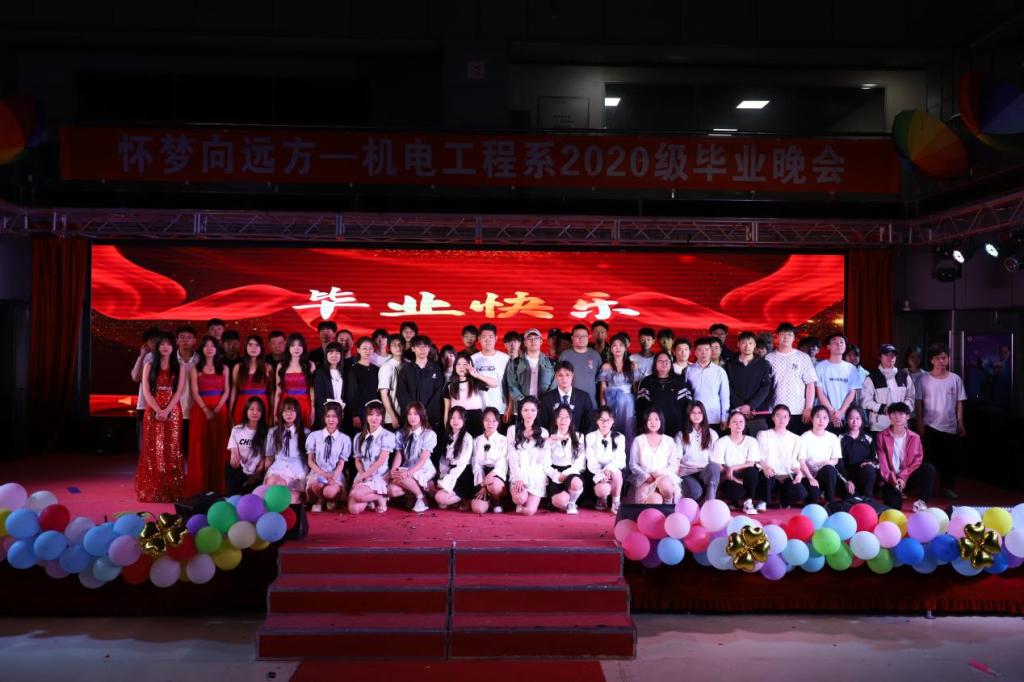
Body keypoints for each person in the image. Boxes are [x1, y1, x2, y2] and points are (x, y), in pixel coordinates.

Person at [137, 332, 187, 502]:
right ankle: (155, 490)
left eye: (169, 344)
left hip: (173, 411)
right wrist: (158, 410)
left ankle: (173, 490)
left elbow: (178, 392)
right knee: (154, 450)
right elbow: (146, 391)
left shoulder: (179, 367)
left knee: (172, 450)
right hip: (153, 409)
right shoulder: (149, 365)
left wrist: (167, 411)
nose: (166, 347)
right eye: (162, 344)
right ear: (158, 347)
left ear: (173, 347)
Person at [916, 343, 966, 499]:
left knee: (949, 460)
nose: (941, 361)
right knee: (929, 460)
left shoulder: (955, 379)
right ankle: (926, 489)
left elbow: (959, 402)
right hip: (930, 425)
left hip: (950, 426)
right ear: (932, 360)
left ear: (948, 359)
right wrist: (920, 424)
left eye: (944, 358)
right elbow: (919, 403)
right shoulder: (923, 379)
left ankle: (947, 488)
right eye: (937, 358)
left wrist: (960, 423)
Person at [185, 335, 231, 496]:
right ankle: (200, 489)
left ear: (217, 349)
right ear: (202, 349)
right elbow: (194, 392)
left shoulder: (224, 368)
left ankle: (219, 488)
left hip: (220, 409)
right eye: (206, 346)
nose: (209, 349)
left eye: (212, 346)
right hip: (200, 410)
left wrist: (217, 409)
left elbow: (227, 391)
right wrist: (206, 410)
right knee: (200, 448)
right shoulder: (194, 368)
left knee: (219, 447)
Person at [877, 402, 936, 512]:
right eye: (894, 414)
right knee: (894, 508)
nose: (897, 417)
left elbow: (917, 460)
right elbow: (883, 463)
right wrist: (894, 480)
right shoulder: (881, 436)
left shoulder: (915, 437)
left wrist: (903, 477)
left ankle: (921, 502)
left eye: (901, 414)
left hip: (908, 477)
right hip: (891, 479)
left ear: (908, 416)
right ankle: (896, 493)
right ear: (889, 416)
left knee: (928, 469)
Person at [765, 323, 817, 435]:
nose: (786, 337)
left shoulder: (803, 357)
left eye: (789, 335)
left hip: (798, 410)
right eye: (783, 334)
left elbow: (810, 384)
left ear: (794, 337)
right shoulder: (769, 358)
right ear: (777, 336)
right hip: (774, 410)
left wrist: (808, 407)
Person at [348, 400, 397, 514]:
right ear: (366, 416)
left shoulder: (387, 435)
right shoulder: (359, 437)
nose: (374, 418)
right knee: (354, 509)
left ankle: (381, 497)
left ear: (382, 417)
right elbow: (358, 459)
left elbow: (381, 460)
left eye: (378, 415)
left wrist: (366, 475)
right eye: (371, 414)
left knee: (357, 494)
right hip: (363, 475)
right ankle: (375, 497)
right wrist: (362, 474)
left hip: (379, 476)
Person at [755, 405, 807, 509]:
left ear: (789, 419)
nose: (782, 419)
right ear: (773, 417)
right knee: (767, 475)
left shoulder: (796, 439)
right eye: (778, 416)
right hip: (769, 475)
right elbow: (759, 456)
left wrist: (799, 472)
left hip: (786, 476)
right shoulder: (764, 435)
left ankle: (784, 501)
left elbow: (793, 462)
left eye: (785, 416)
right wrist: (765, 466)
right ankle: (764, 502)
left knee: (801, 493)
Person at [391, 401, 438, 513]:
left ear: (422, 415)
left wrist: (409, 473)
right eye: (410, 414)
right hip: (407, 466)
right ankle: (417, 492)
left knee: (404, 477)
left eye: (416, 414)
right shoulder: (401, 433)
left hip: (423, 468)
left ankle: (420, 497)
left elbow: (423, 459)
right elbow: (399, 454)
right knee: (391, 490)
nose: (412, 417)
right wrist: (394, 469)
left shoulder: (429, 434)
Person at [304, 401, 352, 512]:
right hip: (318, 472)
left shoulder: (344, 439)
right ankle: (320, 500)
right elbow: (310, 461)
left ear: (339, 417)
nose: (331, 420)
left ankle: (331, 499)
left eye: (334, 416)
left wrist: (333, 477)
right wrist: (323, 474)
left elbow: (341, 463)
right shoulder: (314, 436)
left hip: (335, 474)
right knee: (317, 485)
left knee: (329, 492)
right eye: (328, 416)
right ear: (324, 417)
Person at [599, 333, 643, 450]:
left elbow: (636, 388)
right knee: (611, 427)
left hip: (627, 403)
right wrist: (603, 408)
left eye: (621, 345)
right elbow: (603, 388)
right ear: (610, 348)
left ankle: (628, 456)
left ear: (626, 347)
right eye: (614, 345)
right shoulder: (606, 366)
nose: (617, 348)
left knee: (628, 428)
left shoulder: (633, 365)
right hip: (610, 401)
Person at [711, 411, 761, 514]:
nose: (738, 424)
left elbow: (751, 463)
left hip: (745, 475)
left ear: (745, 424)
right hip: (729, 476)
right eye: (734, 422)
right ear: (729, 424)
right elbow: (718, 464)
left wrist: (732, 467)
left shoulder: (751, 441)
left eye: (741, 422)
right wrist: (734, 478)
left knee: (752, 472)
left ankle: (749, 502)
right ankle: (733, 501)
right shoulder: (722, 442)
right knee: (734, 492)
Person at [507, 397, 550, 516]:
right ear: (520, 412)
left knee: (529, 511)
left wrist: (547, 446)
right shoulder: (512, 430)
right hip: (519, 473)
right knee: (520, 499)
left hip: (536, 476)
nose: (529, 414)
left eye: (533, 410)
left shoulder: (544, 432)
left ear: (537, 412)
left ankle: (526, 501)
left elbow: (542, 461)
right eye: (525, 410)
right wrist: (518, 478)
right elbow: (512, 457)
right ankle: (520, 500)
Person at [725, 331, 774, 436]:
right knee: (735, 441)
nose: (747, 346)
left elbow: (765, 388)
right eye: (744, 343)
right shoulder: (730, 364)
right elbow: (727, 387)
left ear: (755, 345)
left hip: (757, 412)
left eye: (750, 343)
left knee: (760, 441)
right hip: (736, 412)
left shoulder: (764, 364)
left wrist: (751, 405)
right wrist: (741, 406)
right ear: (738, 344)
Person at [861, 343, 916, 433]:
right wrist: (882, 408)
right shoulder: (872, 378)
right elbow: (865, 401)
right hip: (879, 426)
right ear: (880, 357)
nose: (890, 357)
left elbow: (911, 397)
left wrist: (902, 409)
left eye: (893, 355)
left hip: (901, 425)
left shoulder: (904, 376)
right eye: (887, 355)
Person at [636, 351, 692, 439]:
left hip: (676, 428)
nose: (664, 363)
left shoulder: (679, 380)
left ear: (671, 363)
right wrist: (640, 425)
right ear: (655, 363)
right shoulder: (647, 381)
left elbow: (688, 404)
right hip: (653, 428)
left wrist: (687, 425)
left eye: (667, 361)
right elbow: (640, 406)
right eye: (660, 361)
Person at [263, 397, 310, 503]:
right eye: (285, 411)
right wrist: (265, 473)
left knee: (291, 500)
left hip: (298, 469)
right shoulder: (273, 432)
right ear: (281, 413)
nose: (289, 414)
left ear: (297, 413)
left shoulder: (305, 432)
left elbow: (309, 458)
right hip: (279, 467)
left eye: (292, 411)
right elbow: (269, 457)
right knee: (274, 485)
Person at [629, 407, 680, 504]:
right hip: (646, 480)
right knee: (655, 502)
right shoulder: (638, 440)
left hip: (663, 477)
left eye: (656, 419)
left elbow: (673, 465)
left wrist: (658, 473)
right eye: (650, 420)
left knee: (666, 487)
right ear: (645, 422)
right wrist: (646, 476)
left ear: (661, 421)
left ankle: (668, 505)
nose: (653, 422)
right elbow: (633, 464)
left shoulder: (669, 441)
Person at [396, 335, 446, 430]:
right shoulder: (405, 369)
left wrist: (426, 412)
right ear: (413, 349)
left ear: (429, 348)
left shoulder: (436, 368)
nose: (422, 349)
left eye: (425, 346)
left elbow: (439, 392)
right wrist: (414, 412)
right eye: (419, 346)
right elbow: (401, 392)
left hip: (431, 417)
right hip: (411, 418)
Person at [675, 401, 721, 503]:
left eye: (699, 412)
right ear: (688, 414)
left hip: (705, 473)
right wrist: (675, 479)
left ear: (704, 414)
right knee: (695, 492)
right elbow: (676, 459)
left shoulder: (712, 434)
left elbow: (716, 460)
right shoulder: (681, 434)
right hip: (687, 473)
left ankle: (709, 503)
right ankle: (700, 496)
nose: (697, 415)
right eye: (693, 412)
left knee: (714, 467)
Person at [545, 405, 586, 514]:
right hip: (555, 471)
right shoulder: (550, 437)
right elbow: (544, 463)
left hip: (572, 470)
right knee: (560, 501)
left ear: (571, 419)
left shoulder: (579, 436)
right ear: (555, 419)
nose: (563, 420)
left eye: (567, 417)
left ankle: (572, 502)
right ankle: (564, 501)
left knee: (576, 483)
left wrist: (566, 473)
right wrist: (555, 474)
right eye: (560, 417)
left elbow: (580, 461)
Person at [585, 406, 626, 513]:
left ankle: (616, 502)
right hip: (596, 473)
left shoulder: (620, 437)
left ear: (613, 421)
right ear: (597, 421)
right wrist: (601, 474)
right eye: (601, 420)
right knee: (602, 489)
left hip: (613, 473)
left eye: (608, 420)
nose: (605, 423)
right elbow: (591, 459)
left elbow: (620, 459)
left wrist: (609, 469)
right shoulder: (590, 437)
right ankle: (602, 499)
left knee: (617, 472)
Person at [225, 397, 270, 496]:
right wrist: (234, 459)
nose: (255, 412)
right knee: (229, 468)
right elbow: (234, 452)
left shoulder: (268, 432)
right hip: (240, 469)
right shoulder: (237, 429)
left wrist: (256, 475)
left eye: (258, 410)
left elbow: (266, 457)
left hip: (258, 472)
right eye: (252, 409)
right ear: (246, 411)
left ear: (262, 413)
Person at [798, 405, 842, 504]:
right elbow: (801, 462)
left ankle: (829, 500)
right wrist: (810, 478)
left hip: (824, 473)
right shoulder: (804, 437)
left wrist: (828, 462)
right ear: (812, 419)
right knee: (813, 497)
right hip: (808, 475)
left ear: (829, 420)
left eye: (825, 417)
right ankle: (818, 493)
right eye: (818, 417)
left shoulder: (833, 437)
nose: (821, 420)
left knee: (829, 469)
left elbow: (835, 460)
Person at [434, 407, 477, 510]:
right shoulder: (446, 436)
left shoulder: (467, 438)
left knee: (440, 498)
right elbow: (443, 460)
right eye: (452, 418)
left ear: (464, 420)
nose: (455, 421)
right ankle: (457, 500)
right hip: (449, 471)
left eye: (459, 418)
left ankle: (464, 498)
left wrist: (446, 481)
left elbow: (462, 463)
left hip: (462, 474)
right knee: (441, 503)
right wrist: (443, 476)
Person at [505, 328, 556, 412]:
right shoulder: (515, 363)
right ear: (525, 343)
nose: (533, 341)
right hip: (522, 409)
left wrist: (546, 401)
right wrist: (524, 402)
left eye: (536, 338)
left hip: (544, 408)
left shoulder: (551, 363)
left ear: (541, 341)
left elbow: (554, 385)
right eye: (529, 339)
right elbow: (512, 386)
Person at [539, 361, 596, 435]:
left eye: (567, 375)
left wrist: (582, 438)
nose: (564, 378)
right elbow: (543, 425)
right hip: (554, 439)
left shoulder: (584, 397)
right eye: (560, 375)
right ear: (556, 376)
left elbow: (590, 422)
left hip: (578, 439)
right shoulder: (546, 398)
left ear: (572, 376)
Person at [444, 352, 493, 436]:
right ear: (455, 367)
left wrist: (476, 375)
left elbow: (494, 384)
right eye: (458, 364)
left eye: (465, 364)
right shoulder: (449, 385)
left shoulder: (475, 382)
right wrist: (447, 429)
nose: (461, 367)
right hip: (457, 419)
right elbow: (446, 410)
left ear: (470, 366)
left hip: (475, 418)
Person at [686, 337, 730, 431]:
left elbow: (725, 396)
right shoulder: (688, 371)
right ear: (695, 352)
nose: (704, 353)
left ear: (711, 351)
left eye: (707, 349)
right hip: (694, 417)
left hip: (714, 417)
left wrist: (725, 417)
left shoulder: (720, 371)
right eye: (700, 350)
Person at [471, 407, 508, 514]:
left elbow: (503, 461)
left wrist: (492, 474)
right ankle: (488, 499)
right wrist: (483, 485)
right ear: (483, 421)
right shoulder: (477, 440)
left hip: (497, 474)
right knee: (478, 509)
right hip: (481, 476)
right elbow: (475, 464)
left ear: (498, 422)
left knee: (494, 485)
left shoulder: (504, 440)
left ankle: (497, 501)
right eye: (487, 420)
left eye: (494, 421)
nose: (490, 424)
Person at [274, 333, 316, 428]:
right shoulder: (281, 366)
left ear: (304, 347)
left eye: (299, 345)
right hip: (286, 403)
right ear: (288, 348)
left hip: (304, 403)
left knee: (303, 431)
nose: (296, 348)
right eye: (293, 345)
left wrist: (313, 409)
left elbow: (312, 389)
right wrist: (275, 412)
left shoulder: (310, 365)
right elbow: (278, 390)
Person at [131, 327, 161, 451]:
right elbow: (135, 377)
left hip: (163, 405)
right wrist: (142, 355)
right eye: (152, 340)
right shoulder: (146, 357)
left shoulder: (168, 357)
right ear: (146, 343)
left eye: (158, 340)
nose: (156, 343)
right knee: (145, 444)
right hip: (144, 405)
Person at [471, 323, 511, 417]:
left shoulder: (505, 359)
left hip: (501, 408)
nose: (487, 340)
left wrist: (509, 407)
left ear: (496, 338)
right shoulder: (473, 359)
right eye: (484, 337)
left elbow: (510, 385)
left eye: (490, 336)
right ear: (479, 339)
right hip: (478, 409)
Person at [557, 324, 603, 405]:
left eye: (584, 336)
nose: (581, 338)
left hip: (590, 402)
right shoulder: (564, 356)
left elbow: (600, 380)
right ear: (572, 338)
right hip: (569, 403)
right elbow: (558, 379)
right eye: (577, 336)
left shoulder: (595, 355)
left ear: (588, 337)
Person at [839, 406, 877, 498]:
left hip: (862, 477)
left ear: (862, 420)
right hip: (845, 479)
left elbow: (875, 459)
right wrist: (846, 480)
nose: (854, 422)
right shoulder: (840, 437)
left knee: (869, 469)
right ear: (846, 420)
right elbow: (838, 463)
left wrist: (868, 463)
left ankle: (868, 498)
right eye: (851, 418)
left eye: (858, 418)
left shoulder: (868, 438)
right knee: (851, 500)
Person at [230, 335, 268, 426]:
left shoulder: (267, 368)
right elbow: (234, 391)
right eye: (250, 345)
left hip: (261, 404)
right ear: (246, 347)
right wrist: (230, 411)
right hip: (242, 403)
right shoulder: (238, 367)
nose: (253, 348)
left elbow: (271, 392)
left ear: (261, 348)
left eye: (257, 345)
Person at [345, 336, 380, 432]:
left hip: (375, 411)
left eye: (370, 348)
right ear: (358, 350)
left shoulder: (376, 369)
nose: (367, 351)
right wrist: (354, 414)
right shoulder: (353, 370)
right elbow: (351, 393)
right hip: (360, 411)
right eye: (364, 348)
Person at [175, 325, 199, 452]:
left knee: (193, 450)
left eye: (189, 337)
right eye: (182, 337)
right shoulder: (170, 359)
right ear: (177, 340)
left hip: (195, 410)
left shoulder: (200, 360)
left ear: (194, 340)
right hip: (173, 410)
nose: (185, 340)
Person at [312, 341, 346, 430]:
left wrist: (340, 410)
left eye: (337, 353)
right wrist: (333, 409)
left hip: (341, 414)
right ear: (326, 355)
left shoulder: (344, 373)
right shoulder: (320, 373)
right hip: (325, 414)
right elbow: (319, 396)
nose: (334, 356)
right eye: (331, 353)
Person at [377, 333, 406, 429]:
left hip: (409, 416)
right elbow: (384, 394)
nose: (398, 347)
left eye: (400, 344)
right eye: (394, 345)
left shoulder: (409, 364)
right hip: (392, 418)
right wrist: (393, 416)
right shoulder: (386, 367)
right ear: (389, 347)